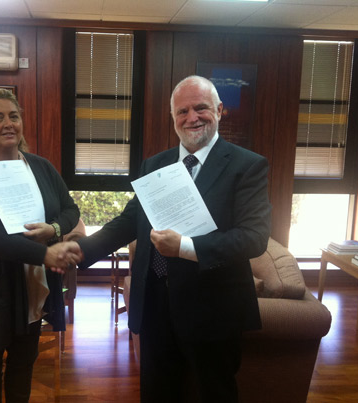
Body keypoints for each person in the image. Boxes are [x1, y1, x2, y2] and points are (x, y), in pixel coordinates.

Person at [77, 75, 272, 402]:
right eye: (182, 112)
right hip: (154, 305)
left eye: (201, 108)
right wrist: (78, 251)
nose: (192, 117)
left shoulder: (247, 166)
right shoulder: (156, 164)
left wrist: (184, 248)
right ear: (173, 118)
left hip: (214, 311)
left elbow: (253, 238)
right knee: (156, 391)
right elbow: (130, 221)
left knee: (215, 393)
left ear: (220, 110)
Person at [0, 88, 82, 403]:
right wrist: (45, 252)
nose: (9, 124)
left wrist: (54, 228)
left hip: (31, 285)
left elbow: (69, 209)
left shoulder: (40, 166)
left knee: (24, 361)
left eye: (14, 116)